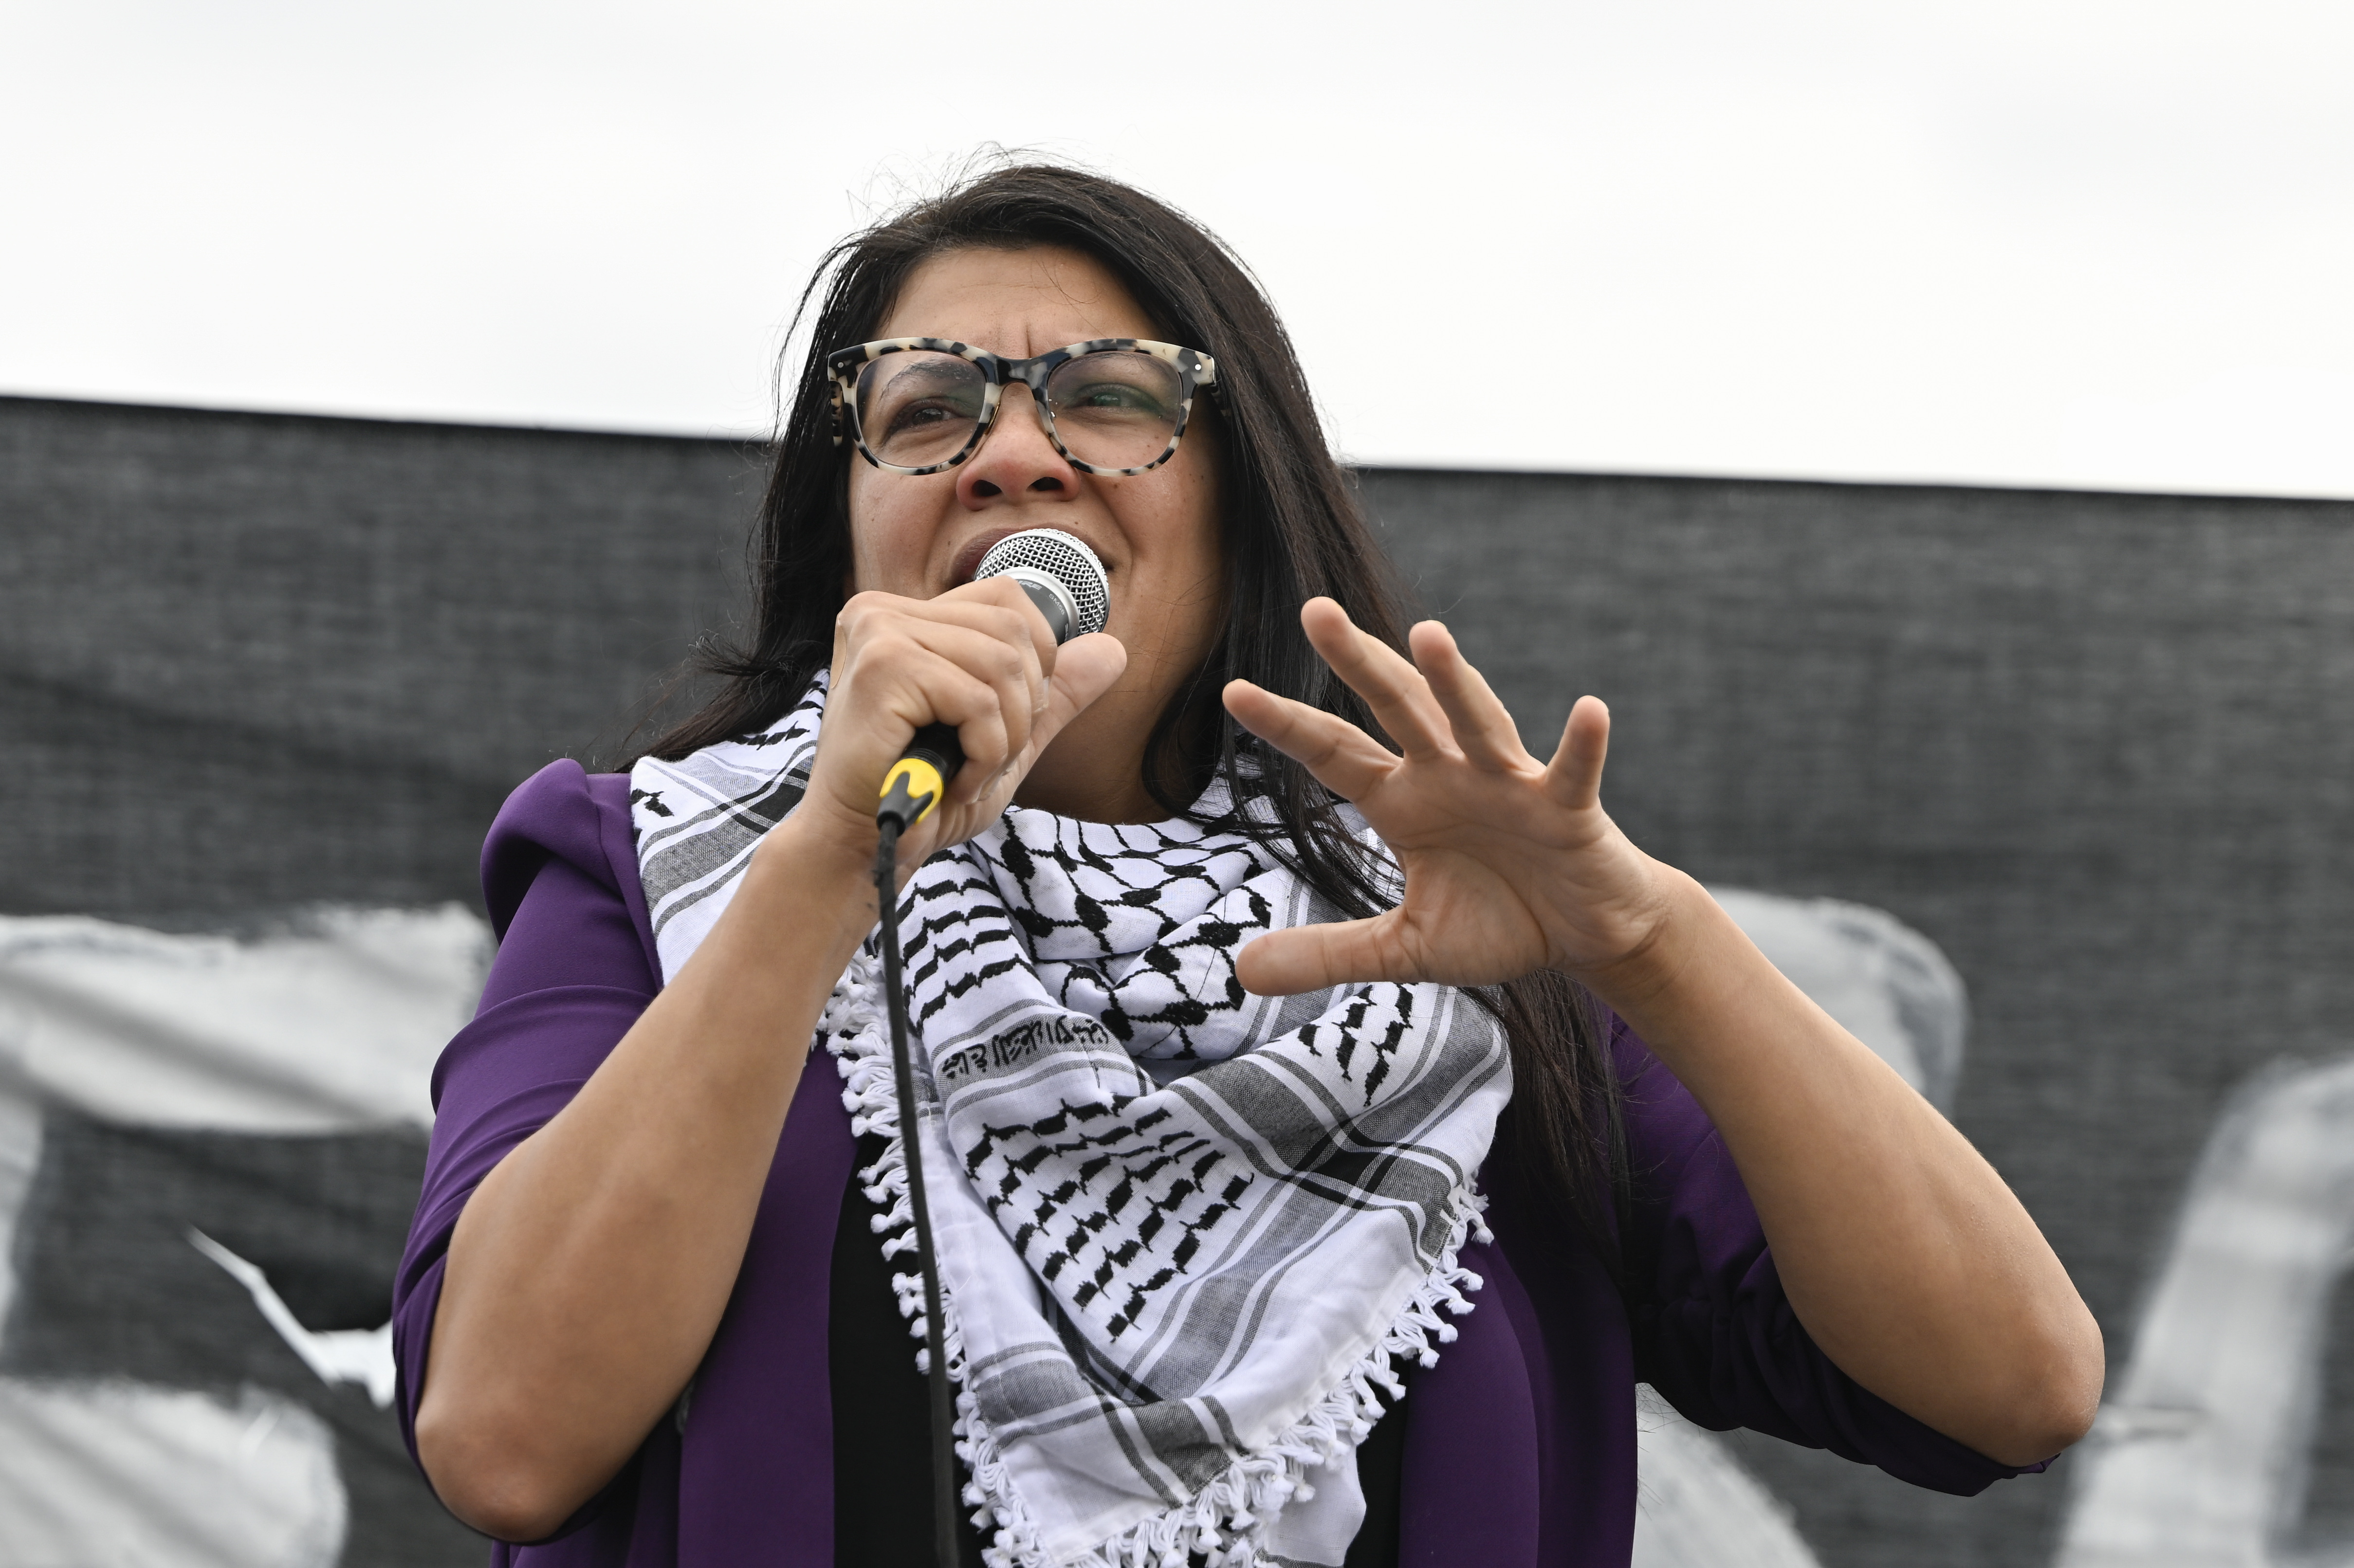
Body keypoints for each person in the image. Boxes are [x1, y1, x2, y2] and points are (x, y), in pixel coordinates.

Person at [393, 163, 2103, 1568]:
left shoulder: (1441, 944)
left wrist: (1639, 939)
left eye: (1108, 399)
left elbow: (2011, 1386)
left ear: (1239, 494)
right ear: (845, 513)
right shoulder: (656, 873)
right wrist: (834, 859)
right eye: (926, 410)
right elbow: (505, 1438)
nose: (1010, 451)